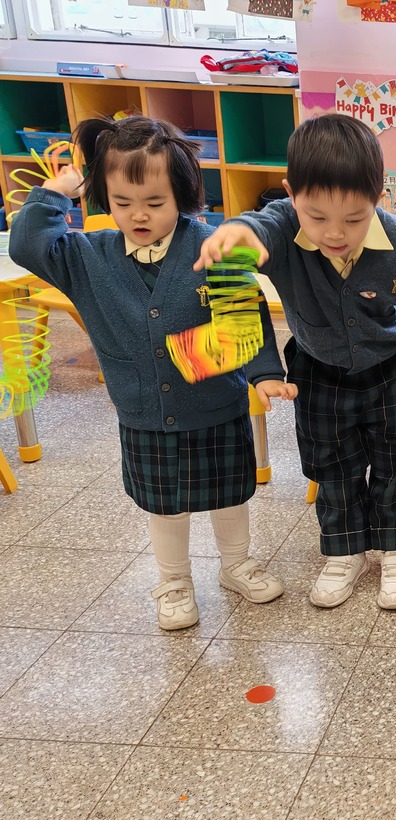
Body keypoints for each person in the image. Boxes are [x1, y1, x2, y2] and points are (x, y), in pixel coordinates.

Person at [11, 115, 290, 631]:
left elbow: (244, 319)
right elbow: (27, 246)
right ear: (102, 196)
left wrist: (264, 374)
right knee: (164, 505)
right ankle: (174, 580)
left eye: (155, 203)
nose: (139, 215)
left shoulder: (214, 246)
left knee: (230, 493)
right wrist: (54, 194)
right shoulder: (85, 256)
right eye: (123, 202)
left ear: (182, 194)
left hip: (217, 405)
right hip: (145, 412)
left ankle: (237, 564)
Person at [196, 114, 396, 611]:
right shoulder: (281, 227)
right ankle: (344, 552)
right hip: (318, 370)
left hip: (393, 367)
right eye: (317, 217)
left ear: (379, 199)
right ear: (291, 195)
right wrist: (235, 231)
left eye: (354, 219)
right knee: (332, 464)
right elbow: (252, 241)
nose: (335, 233)